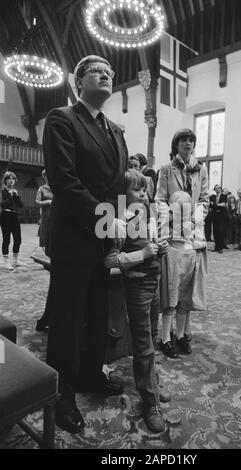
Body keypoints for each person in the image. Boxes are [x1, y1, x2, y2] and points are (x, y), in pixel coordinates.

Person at [43, 55, 128, 434]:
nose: (106, 75)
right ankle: (62, 395)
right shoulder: (63, 118)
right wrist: (109, 218)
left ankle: (93, 374)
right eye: (97, 71)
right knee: (66, 319)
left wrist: (123, 224)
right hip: (75, 236)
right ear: (79, 82)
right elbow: (65, 183)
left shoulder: (116, 130)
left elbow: (119, 186)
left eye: (109, 72)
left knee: (97, 314)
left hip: (102, 240)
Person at [104, 169, 169, 432]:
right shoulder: (117, 221)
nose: (144, 194)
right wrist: (143, 254)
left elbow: (149, 245)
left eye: (145, 189)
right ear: (122, 194)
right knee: (142, 344)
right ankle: (149, 399)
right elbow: (109, 260)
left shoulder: (143, 215)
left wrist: (158, 247)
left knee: (152, 336)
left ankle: (152, 381)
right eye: (137, 190)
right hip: (138, 285)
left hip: (154, 283)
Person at [155, 128, 209, 358]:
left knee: (188, 287)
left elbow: (204, 200)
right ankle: (166, 338)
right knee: (171, 287)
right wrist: (174, 219)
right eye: (183, 140)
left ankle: (181, 336)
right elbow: (159, 199)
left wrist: (194, 219)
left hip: (193, 234)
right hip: (172, 232)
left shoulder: (201, 170)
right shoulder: (166, 170)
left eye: (191, 140)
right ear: (175, 145)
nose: (188, 143)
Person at [0, 171, 24, 270]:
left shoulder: (15, 191)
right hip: (5, 215)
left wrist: (16, 195)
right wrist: (10, 195)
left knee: (18, 238)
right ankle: (6, 262)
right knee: (7, 239)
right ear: (5, 181)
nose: (11, 181)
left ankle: (15, 261)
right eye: (9, 179)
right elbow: (3, 204)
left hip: (14, 215)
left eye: (13, 179)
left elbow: (20, 205)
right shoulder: (2, 191)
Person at [35, 169, 53, 250]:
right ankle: (45, 249)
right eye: (46, 175)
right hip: (46, 213)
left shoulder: (56, 188)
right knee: (45, 231)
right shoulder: (41, 189)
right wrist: (47, 202)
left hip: (55, 213)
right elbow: (37, 201)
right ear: (44, 177)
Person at [209, 185, 227, 254]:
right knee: (215, 231)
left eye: (218, 188)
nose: (217, 189)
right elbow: (211, 205)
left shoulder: (223, 196)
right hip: (214, 216)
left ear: (220, 189)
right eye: (215, 189)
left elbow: (224, 204)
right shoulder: (212, 197)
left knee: (220, 231)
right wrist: (217, 205)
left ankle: (220, 248)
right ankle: (216, 247)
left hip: (221, 216)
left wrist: (216, 205)